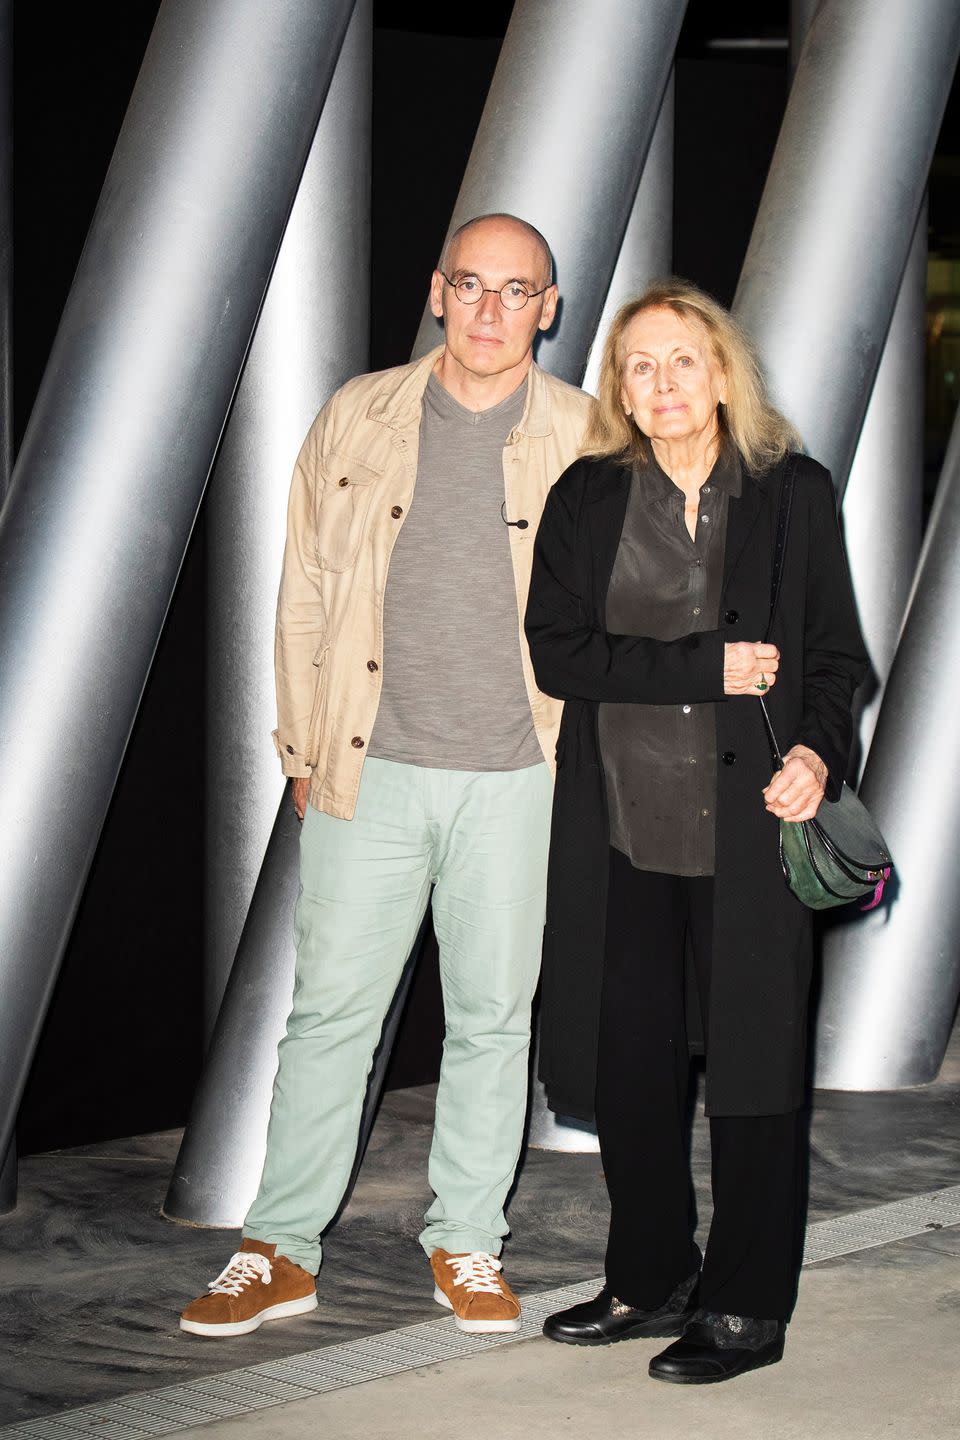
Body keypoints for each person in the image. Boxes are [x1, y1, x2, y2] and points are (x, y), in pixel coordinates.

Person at [179, 214, 593, 1339]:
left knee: (494, 1022)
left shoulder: (590, 436)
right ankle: (279, 1249)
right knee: (328, 1021)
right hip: (371, 768)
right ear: (436, 291)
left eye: (518, 292)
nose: (492, 311)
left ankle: (467, 1242)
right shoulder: (359, 413)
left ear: (550, 307)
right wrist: (302, 746)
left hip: (519, 778)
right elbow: (303, 588)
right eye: (472, 285)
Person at [525, 280, 867, 1384]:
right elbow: (558, 653)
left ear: (722, 372)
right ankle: (648, 1273)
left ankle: (747, 1304)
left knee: (757, 1074)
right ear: (617, 385)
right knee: (632, 1070)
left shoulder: (791, 492)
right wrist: (703, 668)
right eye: (638, 365)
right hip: (623, 831)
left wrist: (817, 753)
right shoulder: (587, 496)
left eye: (682, 361)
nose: (661, 384)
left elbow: (832, 658)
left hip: (752, 835)